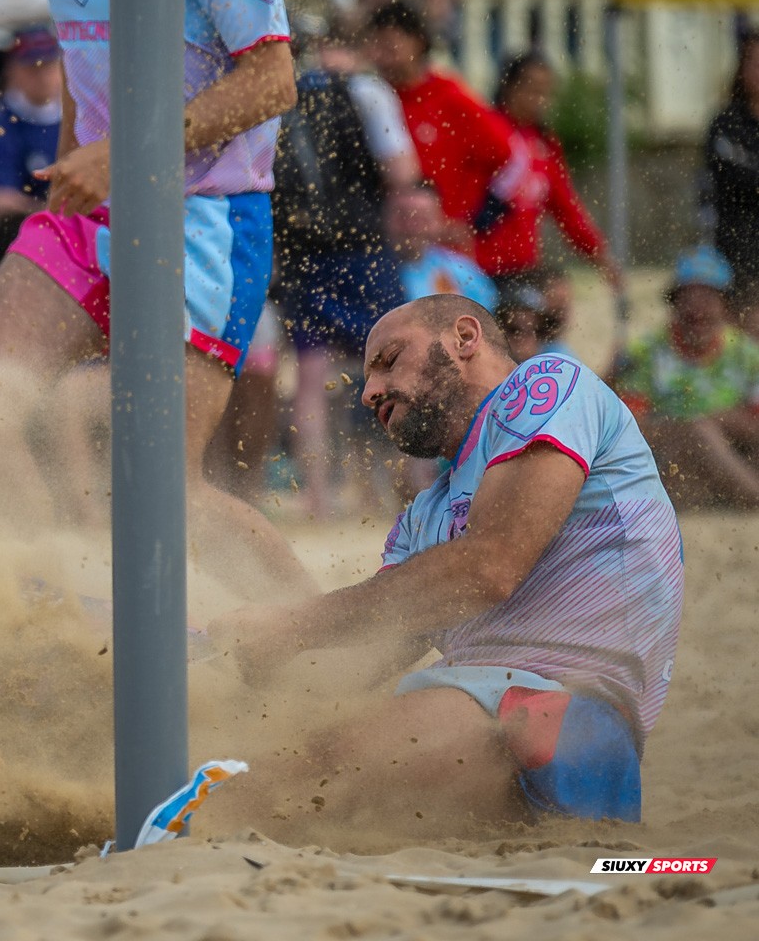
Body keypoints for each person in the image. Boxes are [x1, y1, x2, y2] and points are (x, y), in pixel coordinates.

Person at [0, 0, 313, 599]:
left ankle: (328, 641)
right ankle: (56, 610)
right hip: (90, 207)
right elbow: (89, 79)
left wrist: (122, 162)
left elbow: (274, 81)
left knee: (155, 487)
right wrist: (69, 183)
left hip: (203, 219)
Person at [207, 295, 683, 828]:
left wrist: (293, 623)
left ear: (464, 337)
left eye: (388, 360)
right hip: (499, 718)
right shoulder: (423, 515)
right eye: (365, 379)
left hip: (558, 722)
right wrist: (243, 655)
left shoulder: (546, 385)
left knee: (293, 783)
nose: (368, 393)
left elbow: (490, 567)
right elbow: (364, 658)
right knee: (292, 775)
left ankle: (145, 828)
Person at [271, 10, 421, 516]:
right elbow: (403, 171)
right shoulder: (364, 89)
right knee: (392, 363)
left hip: (300, 253)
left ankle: (317, 496)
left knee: (312, 375)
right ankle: (395, 488)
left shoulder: (275, 91)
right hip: (361, 249)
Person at [367, 0, 524, 250]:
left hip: (442, 251)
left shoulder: (448, 97)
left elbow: (516, 158)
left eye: (389, 44)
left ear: (418, 43)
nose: (381, 54)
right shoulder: (372, 99)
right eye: (376, 44)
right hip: (390, 248)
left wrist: (476, 222)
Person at [616, 247, 759, 509]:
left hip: (733, 455)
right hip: (670, 461)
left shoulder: (746, 354)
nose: (697, 309)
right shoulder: (646, 352)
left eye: (708, 298)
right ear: (674, 303)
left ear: (725, 306)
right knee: (697, 435)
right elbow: (628, 430)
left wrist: (721, 421)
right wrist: (689, 430)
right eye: (689, 298)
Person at [479, 53, 619, 288]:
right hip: (477, 264)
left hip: (523, 265)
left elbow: (566, 208)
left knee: (557, 295)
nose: (539, 99)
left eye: (546, 91)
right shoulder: (486, 129)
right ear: (509, 86)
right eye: (532, 88)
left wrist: (599, 254)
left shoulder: (545, 143)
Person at [0, 28, 64, 219]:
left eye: (48, 65)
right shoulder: (1, 124)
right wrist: (53, 213)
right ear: (12, 70)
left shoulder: (83, 117)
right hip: (23, 229)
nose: (42, 76)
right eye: (32, 67)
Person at [704, 34, 759, 294]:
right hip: (738, 250)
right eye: (756, 63)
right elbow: (728, 175)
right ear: (742, 69)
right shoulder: (726, 123)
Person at [390, 184, 497, 309]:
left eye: (423, 218)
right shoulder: (367, 271)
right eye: (402, 217)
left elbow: (486, 312)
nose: (412, 227)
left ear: (438, 222)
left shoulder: (460, 271)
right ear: (385, 219)